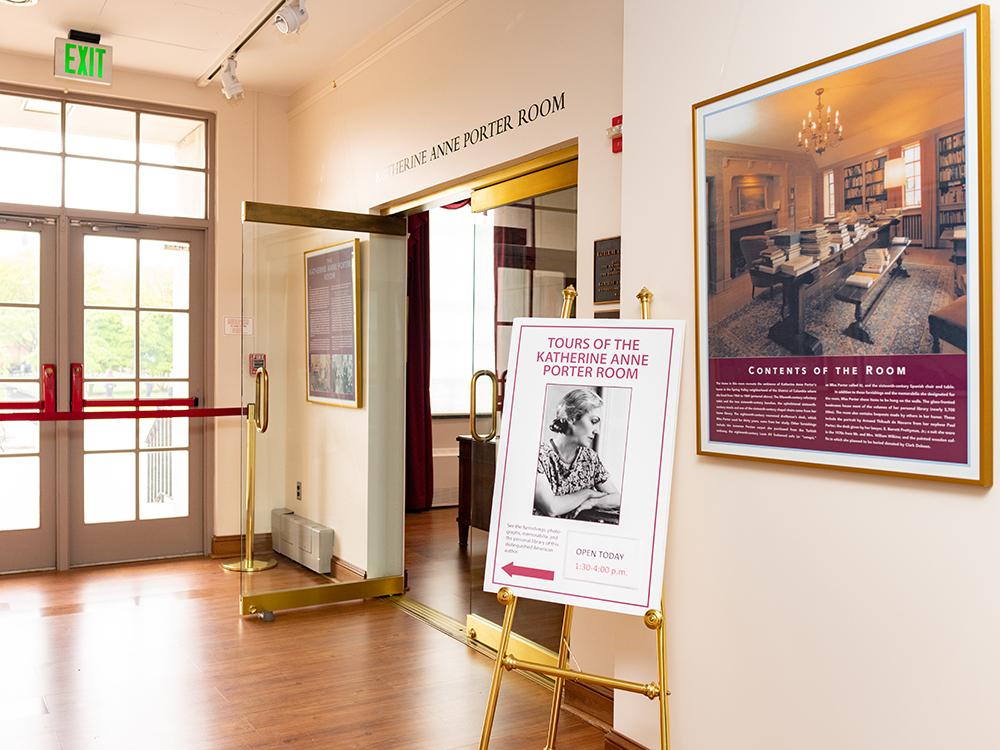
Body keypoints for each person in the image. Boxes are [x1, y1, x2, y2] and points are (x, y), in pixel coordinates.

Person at [534, 388, 621, 522]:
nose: (597, 431)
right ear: (573, 418)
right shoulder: (539, 456)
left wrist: (592, 502)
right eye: (593, 421)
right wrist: (588, 493)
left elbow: (617, 497)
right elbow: (552, 508)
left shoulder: (590, 459)